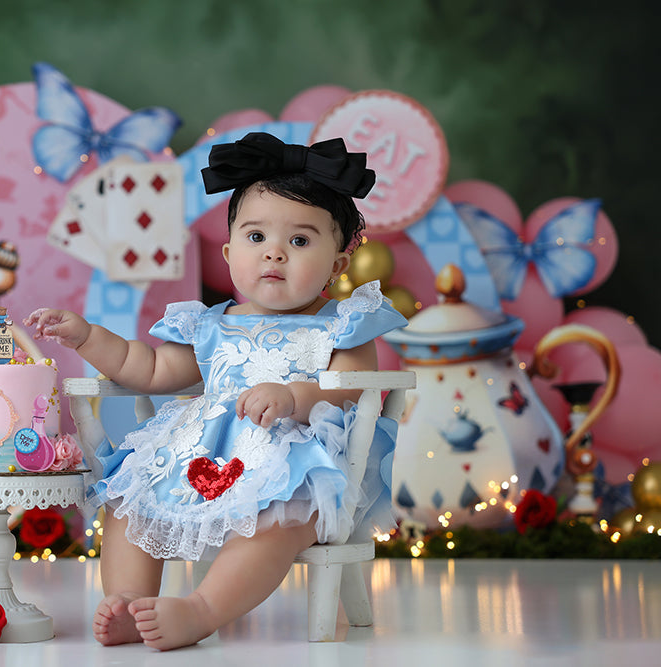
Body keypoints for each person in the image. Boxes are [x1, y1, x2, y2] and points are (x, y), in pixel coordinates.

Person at [25, 132, 408, 650]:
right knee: (129, 502)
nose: (275, 252)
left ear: (337, 264)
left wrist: (295, 397)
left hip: (291, 465)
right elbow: (151, 367)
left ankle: (201, 609)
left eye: (300, 241)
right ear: (229, 253)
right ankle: (128, 601)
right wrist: (88, 336)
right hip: (196, 458)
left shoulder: (341, 325)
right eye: (256, 238)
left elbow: (351, 390)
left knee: (281, 524)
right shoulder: (209, 325)